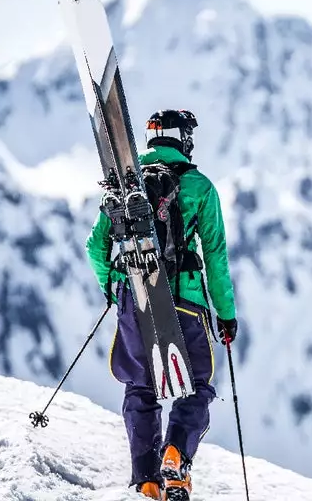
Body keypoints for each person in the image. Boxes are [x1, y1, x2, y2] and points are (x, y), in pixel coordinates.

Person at [86, 108, 239, 501]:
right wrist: (226, 315)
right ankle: (176, 456)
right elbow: (216, 256)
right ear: (183, 139)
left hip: (134, 299)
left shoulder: (126, 186)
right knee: (197, 386)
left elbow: (96, 246)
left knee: (141, 387)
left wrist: (114, 289)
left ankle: (148, 480)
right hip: (185, 302)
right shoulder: (200, 188)